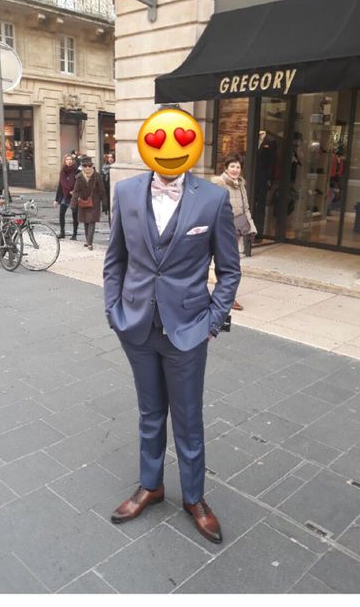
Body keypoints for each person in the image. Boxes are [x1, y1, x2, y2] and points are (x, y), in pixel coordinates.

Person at [103, 150, 241, 545]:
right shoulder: (126, 191)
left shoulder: (213, 198)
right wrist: (114, 311)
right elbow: (115, 259)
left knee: (188, 417)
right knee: (149, 412)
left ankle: (194, 497)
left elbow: (229, 270)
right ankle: (151, 485)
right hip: (137, 326)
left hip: (188, 330)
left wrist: (212, 322)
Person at [212, 154, 257, 310]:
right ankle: (224, 298)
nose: (235, 169)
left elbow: (246, 209)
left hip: (236, 231)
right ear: (226, 168)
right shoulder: (219, 184)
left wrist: (251, 228)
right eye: (232, 166)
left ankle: (227, 297)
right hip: (221, 231)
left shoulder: (241, 185)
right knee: (226, 266)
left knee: (231, 266)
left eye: (238, 167)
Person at [70, 157, 107, 250]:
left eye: (89, 166)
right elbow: (76, 191)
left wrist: (105, 203)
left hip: (95, 202)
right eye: (85, 166)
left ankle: (90, 243)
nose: (87, 168)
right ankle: (87, 241)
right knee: (86, 222)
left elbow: (102, 190)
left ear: (92, 166)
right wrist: (73, 203)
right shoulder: (79, 177)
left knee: (91, 222)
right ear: (82, 167)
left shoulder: (97, 176)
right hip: (83, 202)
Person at [54, 153, 79, 239]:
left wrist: (74, 191)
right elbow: (60, 186)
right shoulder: (62, 172)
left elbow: (79, 183)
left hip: (73, 196)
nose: (69, 161)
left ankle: (74, 234)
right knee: (61, 214)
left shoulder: (77, 171)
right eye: (67, 159)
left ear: (73, 161)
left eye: (70, 159)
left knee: (75, 215)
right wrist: (56, 200)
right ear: (64, 161)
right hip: (65, 196)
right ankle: (62, 232)